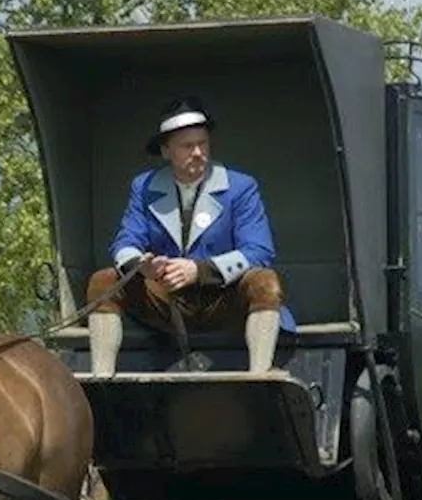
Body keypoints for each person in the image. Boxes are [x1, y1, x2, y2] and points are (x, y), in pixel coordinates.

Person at [85, 95, 296, 376]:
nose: (198, 152)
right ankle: (102, 381)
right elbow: (125, 242)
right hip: (167, 302)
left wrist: (199, 271)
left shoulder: (241, 187)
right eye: (187, 146)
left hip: (222, 300)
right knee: (103, 281)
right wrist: (142, 266)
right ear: (166, 151)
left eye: (203, 144)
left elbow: (259, 250)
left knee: (265, 282)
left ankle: (258, 378)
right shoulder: (144, 186)